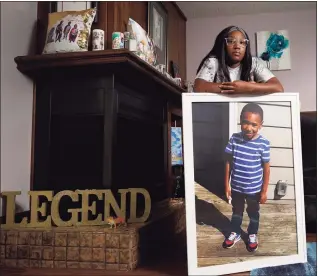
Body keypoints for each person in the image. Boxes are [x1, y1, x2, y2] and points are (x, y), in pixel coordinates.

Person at [223, 103, 270, 252]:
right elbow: (228, 163)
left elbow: (267, 169)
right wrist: (226, 185)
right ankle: (235, 232)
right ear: (240, 121)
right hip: (236, 187)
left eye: (254, 124)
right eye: (245, 122)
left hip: (254, 189)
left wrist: (263, 191)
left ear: (260, 125)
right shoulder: (234, 139)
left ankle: (252, 233)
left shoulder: (263, 144)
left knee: (253, 213)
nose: (249, 128)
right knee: (237, 211)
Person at [194, 26, 284, 94]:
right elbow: (198, 87)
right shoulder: (213, 62)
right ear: (223, 45)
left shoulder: (254, 63)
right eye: (231, 41)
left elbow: (278, 88)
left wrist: (249, 87)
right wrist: (235, 88)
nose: (237, 46)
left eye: (242, 42)